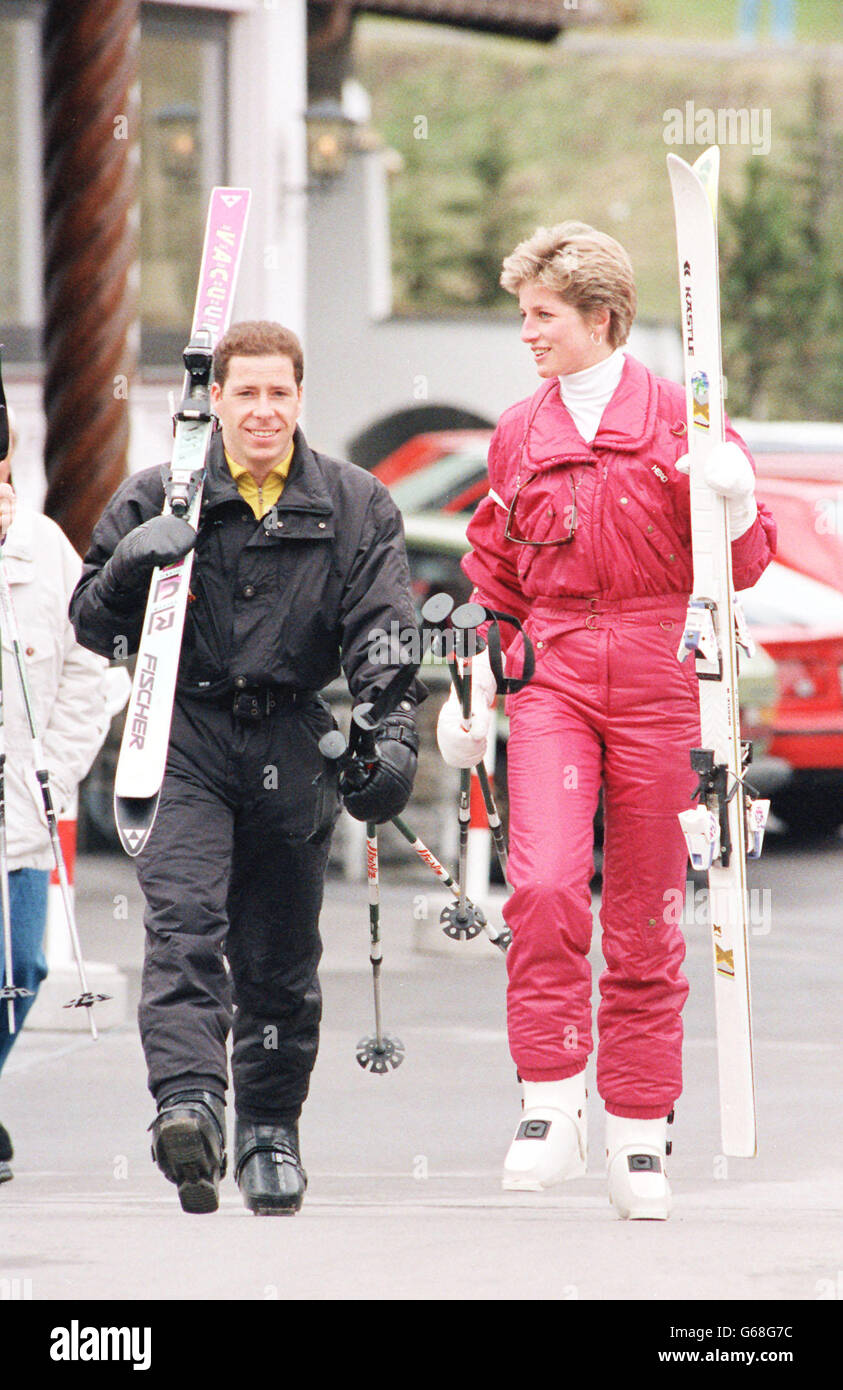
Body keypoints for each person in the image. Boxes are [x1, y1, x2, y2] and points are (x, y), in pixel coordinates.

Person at [436, 223, 776, 1219]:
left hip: (666, 670)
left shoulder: (687, 419)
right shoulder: (518, 431)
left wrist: (740, 500)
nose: (527, 333)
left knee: (642, 916)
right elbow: (494, 573)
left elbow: (743, 569)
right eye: (523, 315)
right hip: (556, 672)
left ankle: (636, 1129)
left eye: (541, 316)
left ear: (600, 316)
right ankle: (550, 1103)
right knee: (542, 885)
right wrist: (475, 684)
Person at [69, 320, 423, 1216]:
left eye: (279, 392)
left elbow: (383, 632)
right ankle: (189, 1107)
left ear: (300, 398)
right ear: (215, 400)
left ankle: (270, 1130)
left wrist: (390, 737)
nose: (263, 410)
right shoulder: (160, 493)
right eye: (246, 392)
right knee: (184, 927)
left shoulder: (354, 503)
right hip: (181, 737)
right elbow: (91, 624)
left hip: (292, 743)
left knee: (278, 955)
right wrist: (128, 571)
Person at [0, 410, 110, 1183]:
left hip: (20, 805)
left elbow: (87, 667)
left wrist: (57, 768)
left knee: (21, 969)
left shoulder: (42, 549)